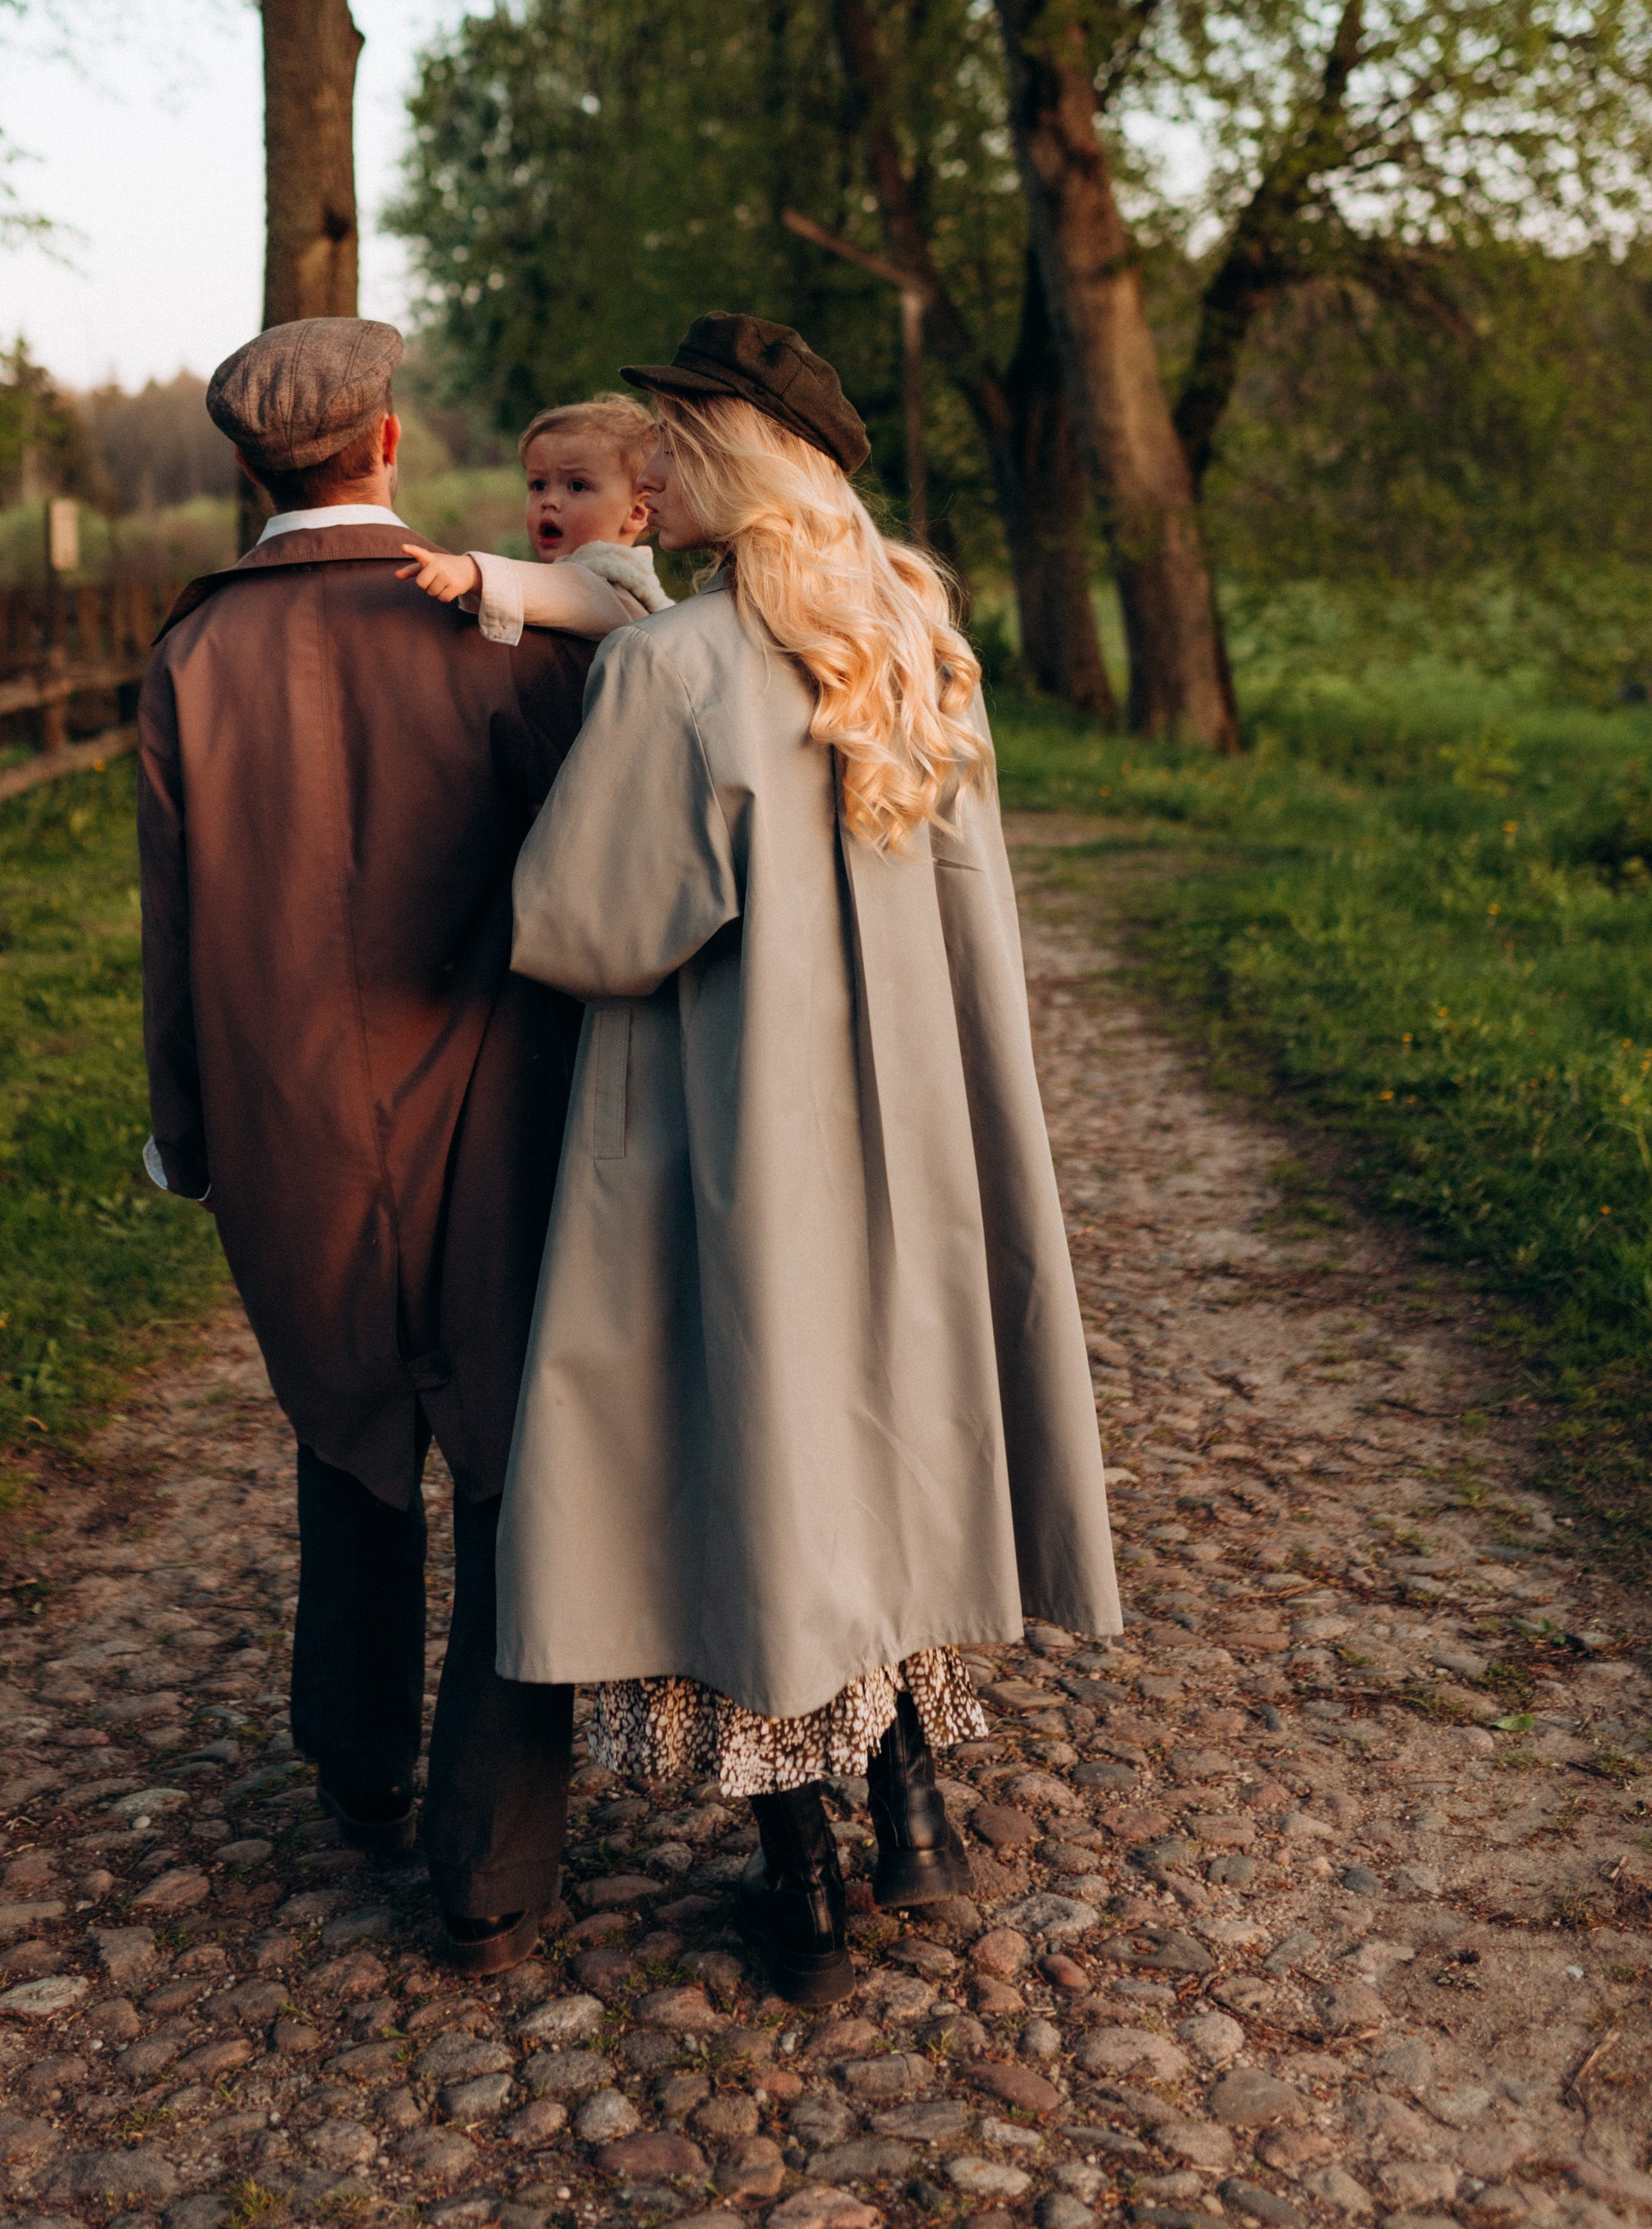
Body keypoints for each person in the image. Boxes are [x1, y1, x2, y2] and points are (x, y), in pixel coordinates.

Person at [493, 313, 1122, 2005]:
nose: (653, 467)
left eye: (674, 440)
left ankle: (806, 1883)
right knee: (885, 1437)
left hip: (737, 1126)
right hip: (913, 1121)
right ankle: (911, 1806)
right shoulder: (912, 633)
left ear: (730, 457)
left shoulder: (670, 669)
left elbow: (585, 927)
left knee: (752, 1456)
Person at [136, 317, 594, 1968]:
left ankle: (355, 1760)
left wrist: (183, 1135)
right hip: (492, 1099)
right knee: (501, 1460)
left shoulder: (192, 657)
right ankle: (488, 1868)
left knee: (341, 1430)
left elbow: (172, 933)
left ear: (247, 470)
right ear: (385, 444)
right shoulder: (497, 629)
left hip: (285, 1126)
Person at [399, 393, 669, 643]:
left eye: (577, 486)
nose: (549, 501)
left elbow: (569, 591)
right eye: (538, 485)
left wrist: (473, 572)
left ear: (636, 512)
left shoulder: (617, 590)